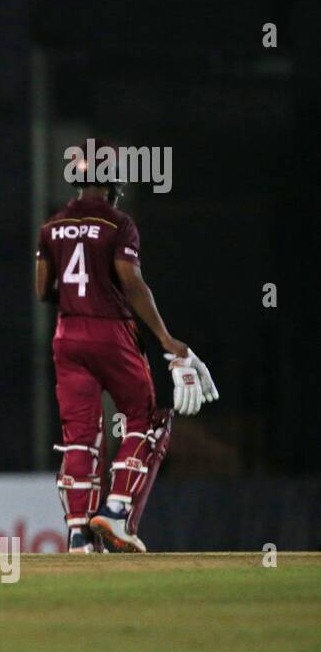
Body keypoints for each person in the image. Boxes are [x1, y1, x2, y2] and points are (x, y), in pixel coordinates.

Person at [36, 143, 218, 553]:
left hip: (67, 335)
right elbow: (132, 284)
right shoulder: (119, 224)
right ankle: (117, 510)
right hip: (109, 331)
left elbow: (42, 289)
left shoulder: (51, 227)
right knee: (148, 415)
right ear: (109, 181)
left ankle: (78, 534)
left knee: (79, 436)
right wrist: (166, 339)